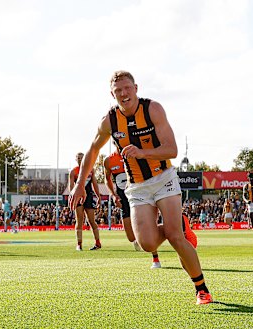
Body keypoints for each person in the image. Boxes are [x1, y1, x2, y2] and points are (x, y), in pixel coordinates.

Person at [68, 70, 212, 304]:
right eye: (118, 91)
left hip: (163, 177)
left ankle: (201, 289)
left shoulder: (153, 109)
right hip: (137, 187)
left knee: (176, 238)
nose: (123, 94)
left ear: (136, 88)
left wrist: (142, 153)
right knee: (146, 244)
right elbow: (93, 150)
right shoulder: (109, 120)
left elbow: (172, 150)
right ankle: (178, 225)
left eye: (127, 88)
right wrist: (79, 186)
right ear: (112, 94)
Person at [104, 150, 162, 268]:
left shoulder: (134, 153)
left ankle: (155, 259)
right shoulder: (109, 160)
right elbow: (107, 179)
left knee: (147, 228)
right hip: (122, 199)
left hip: (138, 194)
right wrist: (113, 195)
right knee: (131, 237)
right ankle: (142, 240)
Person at [69, 152, 101, 251]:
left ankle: (98, 243)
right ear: (76, 159)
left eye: (81, 158)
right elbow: (71, 186)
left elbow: (95, 183)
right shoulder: (73, 171)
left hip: (89, 197)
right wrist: (72, 197)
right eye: (78, 158)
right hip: (78, 197)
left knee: (91, 220)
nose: (80, 159)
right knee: (79, 220)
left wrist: (98, 196)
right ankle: (79, 244)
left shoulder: (90, 169)